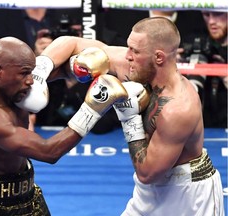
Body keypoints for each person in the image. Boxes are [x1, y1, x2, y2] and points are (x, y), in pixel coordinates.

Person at [40, 17, 224, 215]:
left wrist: (129, 117)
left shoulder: (178, 107)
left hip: (189, 195)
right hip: (148, 191)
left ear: (159, 57)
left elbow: (147, 173)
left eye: (135, 51)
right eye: (129, 47)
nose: (127, 55)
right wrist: (38, 72)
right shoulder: (132, 65)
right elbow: (72, 43)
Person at [0, 36, 128, 215]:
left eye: (31, 73)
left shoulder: (16, 86)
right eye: (24, 73)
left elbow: (64, 56)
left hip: (28, 195)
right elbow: (49, 152)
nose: (31, 81)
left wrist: (78, 67)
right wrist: (92, 109)